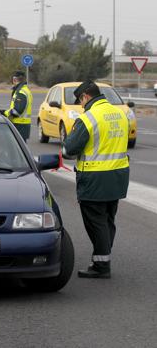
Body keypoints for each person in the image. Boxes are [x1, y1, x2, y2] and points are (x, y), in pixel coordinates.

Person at [62, 81, 129, 279]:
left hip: (94, 178)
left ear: (85, 96)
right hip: (118, 175)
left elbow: (68, 149)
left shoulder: (88, 118)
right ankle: (103, 257)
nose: (81, 105)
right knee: (108, 219)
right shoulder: (120, 114)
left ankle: (101, 265)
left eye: (80, 101)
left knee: (95, 222)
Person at [0, 71, 33, 141]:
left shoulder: (21, 92)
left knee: (17, 148)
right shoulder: (25, 90)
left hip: (20, 124)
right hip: (22, 125)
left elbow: (17, 111)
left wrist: (5, 113)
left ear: (14, 80)